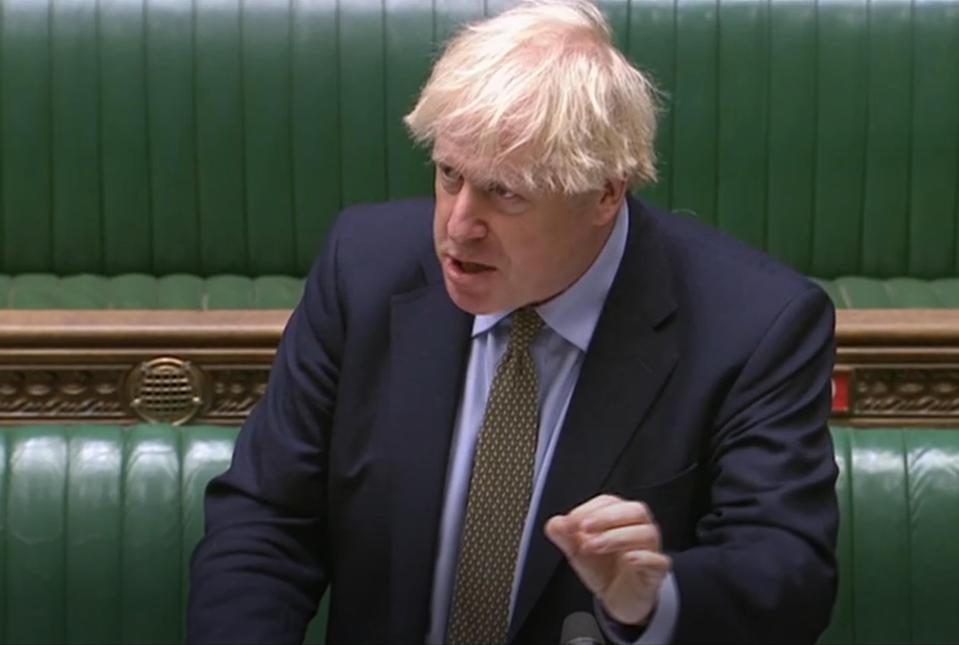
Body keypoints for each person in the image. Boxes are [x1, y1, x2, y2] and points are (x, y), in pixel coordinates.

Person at [187, 1, 839, 643]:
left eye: (505, 192)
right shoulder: (362, 269)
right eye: (449, 174)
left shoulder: (755, 328)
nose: (457, 225)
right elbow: (267, 520)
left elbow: (787, 575)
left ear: (605, 193)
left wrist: (653, 598)